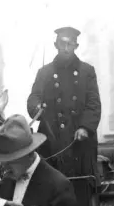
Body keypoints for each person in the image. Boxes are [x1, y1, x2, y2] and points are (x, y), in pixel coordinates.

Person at [27, 27, 101, 180]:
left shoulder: (87, 71)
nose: (66, 48)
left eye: (70, 44)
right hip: (52, 140)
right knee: (50, 189)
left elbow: (94, 103)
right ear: (56, 45)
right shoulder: (44, 72)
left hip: (79, 142)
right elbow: (34, 97)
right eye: (62, 43)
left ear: (76, 46)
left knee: (82, 189)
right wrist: (37, 107)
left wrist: (85, 127)